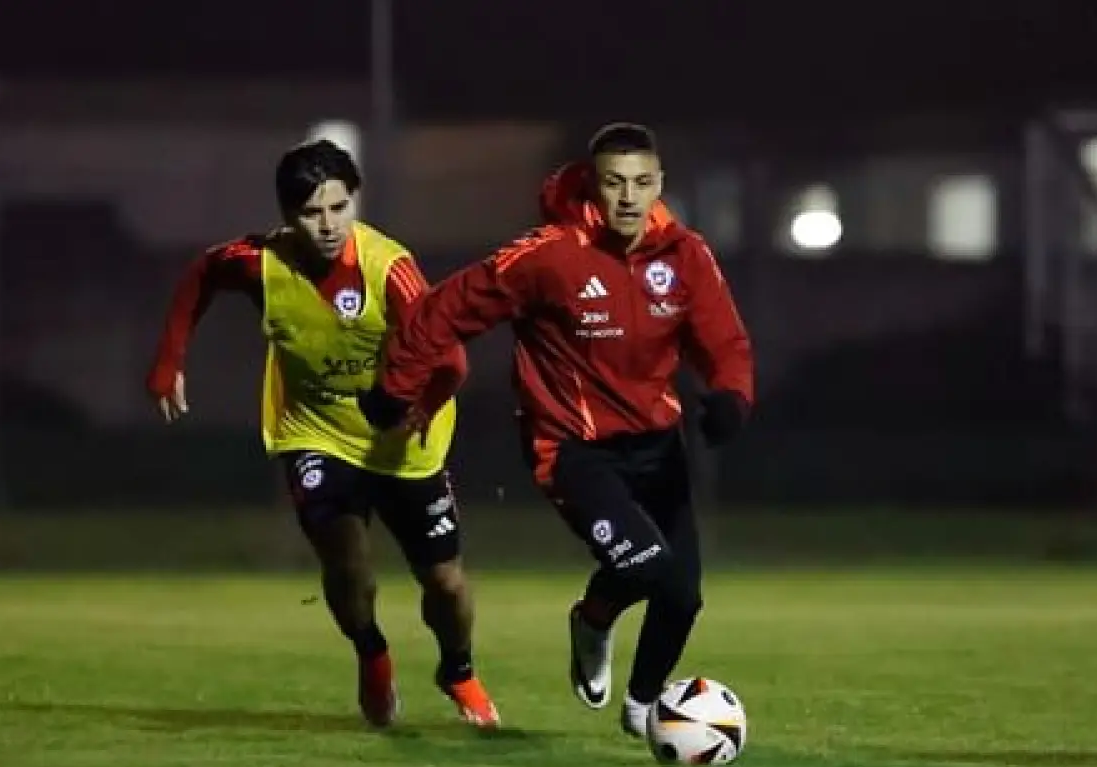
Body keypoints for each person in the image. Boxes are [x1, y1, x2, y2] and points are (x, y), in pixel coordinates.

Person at [359, 122, 754, 736]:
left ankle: (644, 708)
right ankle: (593, 620)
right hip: (574, 449)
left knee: (683, 596)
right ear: (595, 186)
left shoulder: (686, 254)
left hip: (657, 447)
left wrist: (732, 395)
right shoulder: (547, 254)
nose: (628, 197)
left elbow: (723, 339)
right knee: (646, 565)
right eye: (615, 183)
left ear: (660, 185)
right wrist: (396, 386)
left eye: (642, 183)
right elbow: (445, 310)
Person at [145, 139, 500, 728]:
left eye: (339, 207)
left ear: (353, 202)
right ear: (287, 216)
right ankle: (372, 654)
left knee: (446, 583)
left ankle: (457, 670)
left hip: (405, 442)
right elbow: (202, 272)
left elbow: (452, 361)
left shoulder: (390, 267)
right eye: (312, 212)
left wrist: (423, 405)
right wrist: (169, 359)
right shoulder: (261, 262)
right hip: (316, 433)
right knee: (346, 561)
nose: (329, 224)